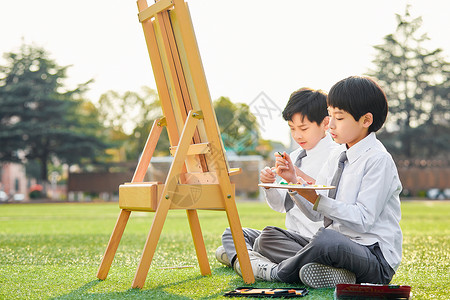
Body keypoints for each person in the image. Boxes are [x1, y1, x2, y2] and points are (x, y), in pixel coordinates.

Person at [234, 76, 403, 289]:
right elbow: (316, 213)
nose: (330, 124)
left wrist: (316, 198)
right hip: (337, 249)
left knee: (326, 240)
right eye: (330, 115)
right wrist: (294, 184)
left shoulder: (378, 160)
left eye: (339, 118)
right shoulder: (339, 154)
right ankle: (335, 274)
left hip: (373, 257)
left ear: (366, 120)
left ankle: (276, 272)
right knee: (267, 237)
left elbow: (363, 219)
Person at [215, 87, 338, 271]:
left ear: (325, 123)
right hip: (290, 238)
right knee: (233, 234)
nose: (297, 135)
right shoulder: (294, 156)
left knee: (266, 240)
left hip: (316, 239)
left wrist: (296, 178)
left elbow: (326, 200)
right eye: (292, 128)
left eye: (304, 128)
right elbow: (281, 206)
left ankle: (251, 261)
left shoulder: (336, 155)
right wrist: (270, 186)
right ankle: (254, 261)